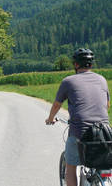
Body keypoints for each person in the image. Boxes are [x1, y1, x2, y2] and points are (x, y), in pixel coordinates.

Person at [45, 48, 110, 186]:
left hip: (79, 132)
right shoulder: (102, 80)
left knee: (71, 167)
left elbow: (57, 105)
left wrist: (50, 119)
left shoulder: (68, 81)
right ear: (91, 65)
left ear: (75, 64)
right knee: (104, 166)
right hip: (105, 133)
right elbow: (107, 105)